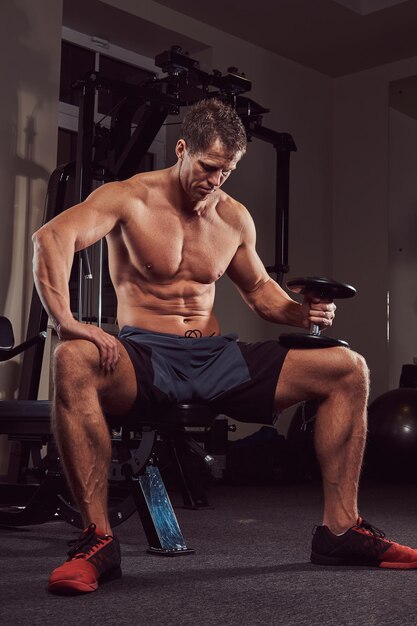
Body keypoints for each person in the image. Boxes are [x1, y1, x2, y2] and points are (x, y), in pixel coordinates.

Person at [32, 98, 417, 595]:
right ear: (182, 148)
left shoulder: (233, 218)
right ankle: (97, 540)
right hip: (146, 356)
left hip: (214, 356)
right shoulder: (128, 197)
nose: (216, 180)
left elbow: (260, 293)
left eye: (227, 171)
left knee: (348, 367)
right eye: (209, 167)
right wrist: (67, 322)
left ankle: (341, 531)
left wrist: (304, 313)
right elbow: (52, 238)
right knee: (73, 358)